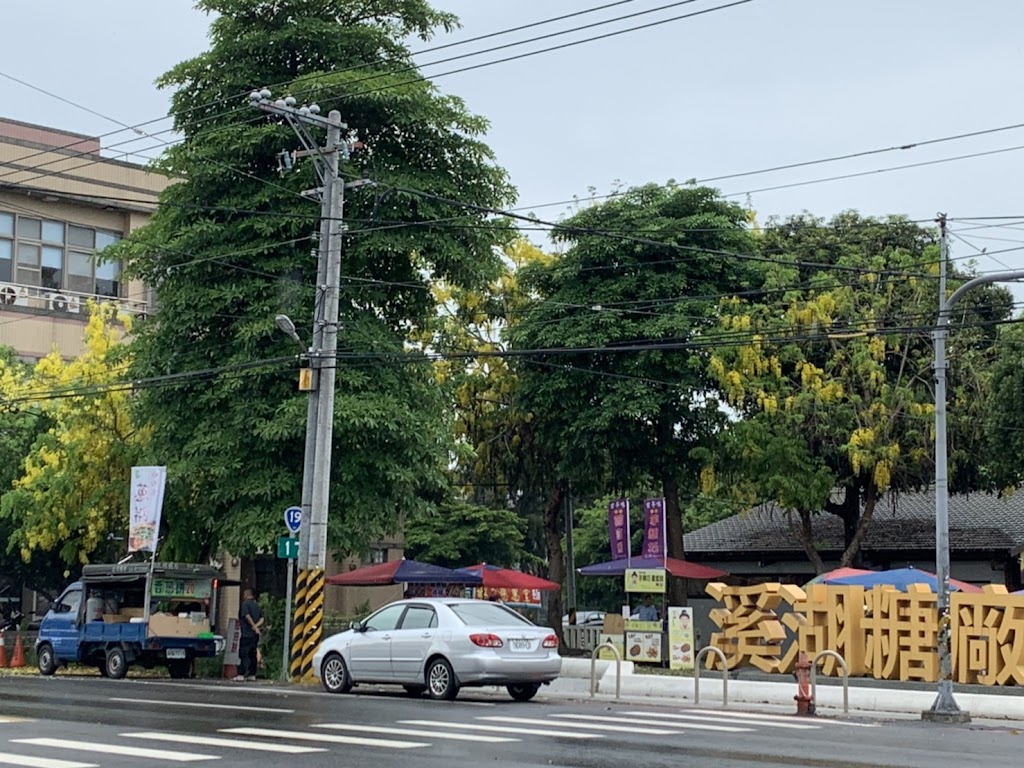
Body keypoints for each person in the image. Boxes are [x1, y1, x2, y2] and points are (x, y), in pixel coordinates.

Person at [235, 588, 263, 682]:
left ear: (247, 594)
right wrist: (256, 627)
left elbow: (247, 616)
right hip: (255, 635)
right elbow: (262, 619)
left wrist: (253, 626)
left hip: (246, 634)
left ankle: (241, 673)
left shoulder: (245, 604)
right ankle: (252, 674)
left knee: (244, 653)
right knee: (253, 653)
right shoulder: (256, 605)